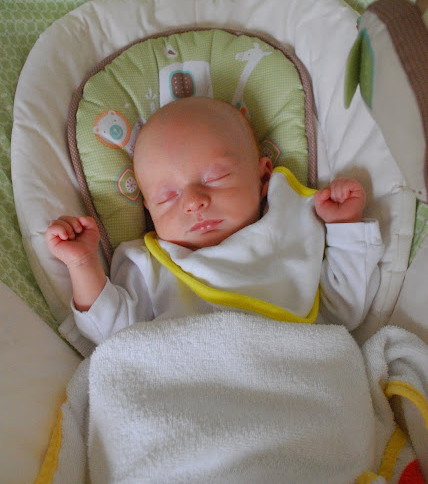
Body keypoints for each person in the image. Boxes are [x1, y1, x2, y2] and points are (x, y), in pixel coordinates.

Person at [46, 96, 384, 345]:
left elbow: (346, 310)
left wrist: (344, 226)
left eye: (215, 177)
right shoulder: (151, 266)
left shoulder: (291, 226)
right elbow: (112, 336)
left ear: (263, 177)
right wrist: (83, 263)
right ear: (148, 210)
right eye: (167, 197)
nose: (193, 202)